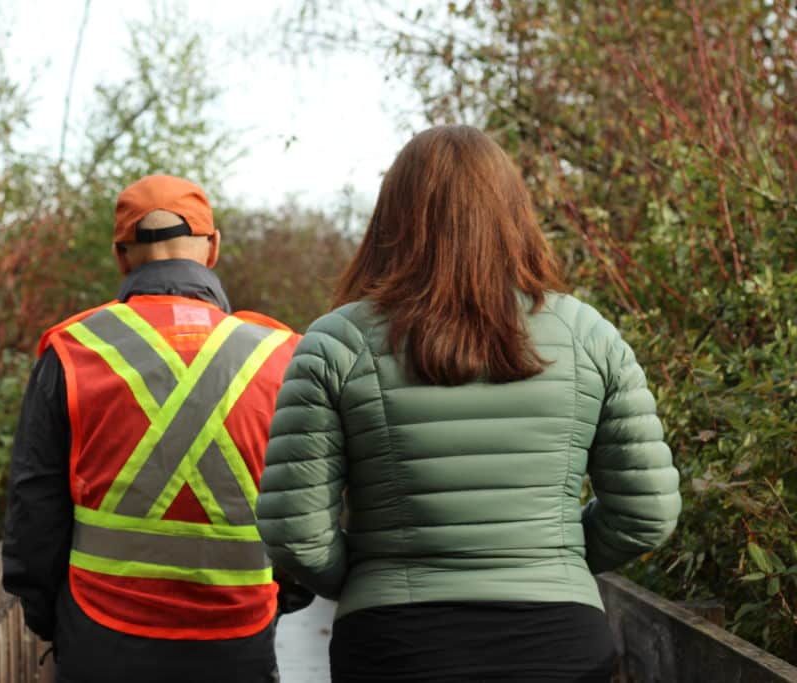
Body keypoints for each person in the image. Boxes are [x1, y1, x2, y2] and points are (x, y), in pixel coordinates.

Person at [256, 126, 682, 682]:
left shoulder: (337, 343)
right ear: (514, 213)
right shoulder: (589, 336)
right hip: (559, 645)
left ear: (392, 218)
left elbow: (294, 530)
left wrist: (371, 577)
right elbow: (647, 512)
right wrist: (554, 560)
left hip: (396, 648)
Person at [3, 174, 301, 683]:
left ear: (121, 256)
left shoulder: (73, 351)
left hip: (101, 639)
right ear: (213, 248)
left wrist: (51, 618)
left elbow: (36, 504)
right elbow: (304, 509)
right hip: (238, 638)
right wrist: (280, 600)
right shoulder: (279, 355)